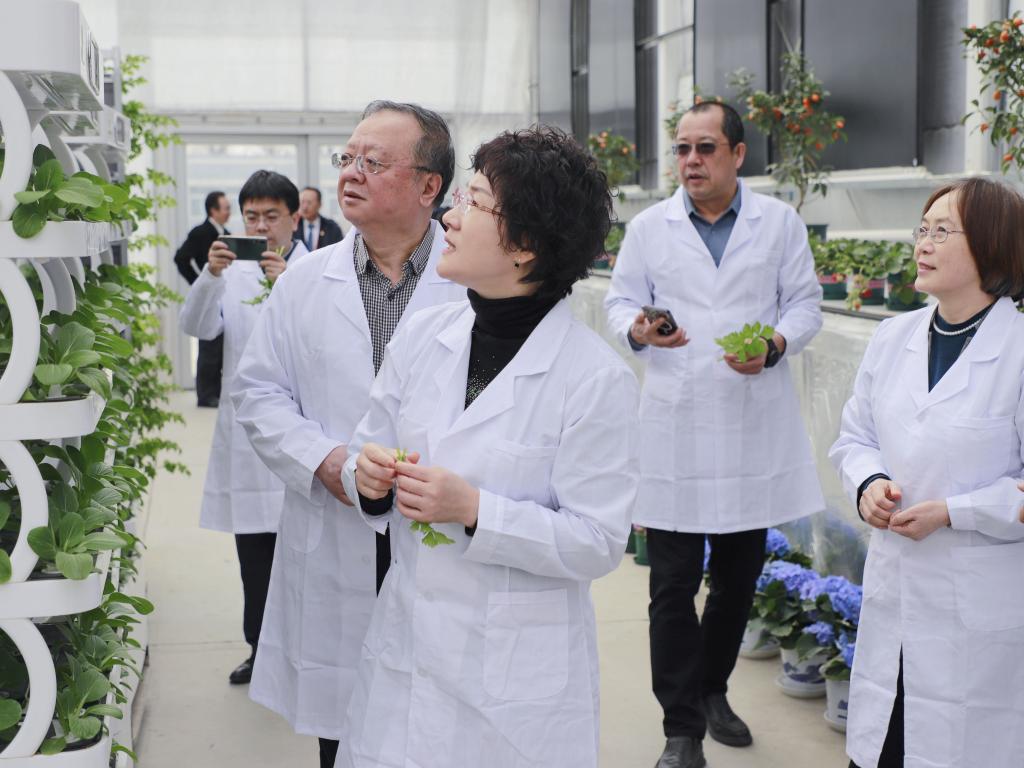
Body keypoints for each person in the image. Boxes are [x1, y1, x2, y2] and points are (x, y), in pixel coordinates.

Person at [336, 126, 639, 768]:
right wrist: (370, 479)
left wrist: (476, 510)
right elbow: (370, 445)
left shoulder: (593, 378)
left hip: (514, 683)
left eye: (474, 203)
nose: (450, 216)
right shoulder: (426, 335)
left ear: (526, 245)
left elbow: (597, 541)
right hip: (409, 651)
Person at [232, 101, 465, 768]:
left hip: (439, 526)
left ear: (429, 186)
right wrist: (328, 462)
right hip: (337, 525)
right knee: (343, 728)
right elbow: (258, 391)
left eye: (374, 161)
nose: (351, 173)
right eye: (348, 158)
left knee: (438, 724)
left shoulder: (472, 278)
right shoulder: (305, 280)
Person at [604, 100, 825, 768]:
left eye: (705, 148)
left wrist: (776, 345)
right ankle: (682, 729)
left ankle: (712, 689)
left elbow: (805, 304)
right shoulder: (651, 227)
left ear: (737, 154)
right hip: (675, 425)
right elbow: (619, 301)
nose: (691, 160)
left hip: (750, 425)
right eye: (682, 149)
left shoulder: (778, 223)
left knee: (736, 580)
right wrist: (640, 328)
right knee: (670, 587)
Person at [830, 177, 1024, 768]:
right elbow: (856, 438)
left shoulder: (1018, 350)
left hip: (979, 607)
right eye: (923, 228)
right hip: (895, 592)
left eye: (943, 231)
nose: (923, 243)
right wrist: (868, 485)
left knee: (964, 746)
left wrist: (954, 512)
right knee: (884, 744)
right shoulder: (893, 337)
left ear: (991, 244)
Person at [179, 171, 307, 686]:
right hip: (248, 440)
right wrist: (210, 276)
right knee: (254, 555)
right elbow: (197, 327)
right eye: (251, 217)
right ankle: (259, 649)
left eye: (271, 216)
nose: (260, 227)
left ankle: (303, 654)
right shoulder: (229, 275)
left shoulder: (314, 271)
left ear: (295, 218)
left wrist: (284, 285)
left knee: (306, 554)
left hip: (303, 432)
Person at [175, 190, 231, 406]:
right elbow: (181, 258)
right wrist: (200, 282)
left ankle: (216, 392)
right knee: (208, 346)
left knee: (219, 346)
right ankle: (205, 394)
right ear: (213, 210)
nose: (229, 212)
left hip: (222, 295)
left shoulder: (226, 233)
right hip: (208, 294)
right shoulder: (200, 232)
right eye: (225, 208)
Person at [294, 186, 344, 251]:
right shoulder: (293, 226)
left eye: (309, 202)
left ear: (319, 204)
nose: (305, 207)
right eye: (302, 202)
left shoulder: (332, 227)